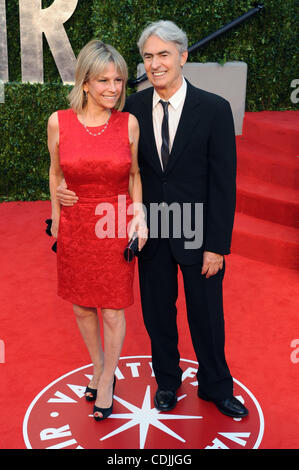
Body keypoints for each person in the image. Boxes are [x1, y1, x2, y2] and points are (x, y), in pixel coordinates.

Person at [56, 21, 248, 418]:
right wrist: (63, 189)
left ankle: (216, 386)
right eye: (148, 56)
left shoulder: (213, 109)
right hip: (150, 231)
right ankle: (167, 382)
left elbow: (223, 186)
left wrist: (217, 245)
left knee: (207, 315)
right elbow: (110, 163)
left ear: (183, 56)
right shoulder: (132, 110)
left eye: (164, 54)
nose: (156, 63)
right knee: (157, 313)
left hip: (196, 230)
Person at [48, 39, 147, 422]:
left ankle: (107, 377)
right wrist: (56, 211)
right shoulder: (59, 121)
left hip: (114, 224)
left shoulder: (129, 123)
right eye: (103, 80)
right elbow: (56, 172)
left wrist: (139, 217)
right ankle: (98, 364)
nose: (113, 88)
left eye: (119, 80)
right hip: (75, 227)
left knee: (112, 309)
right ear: (85, 83)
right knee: (82, 305)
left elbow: (135, 175)